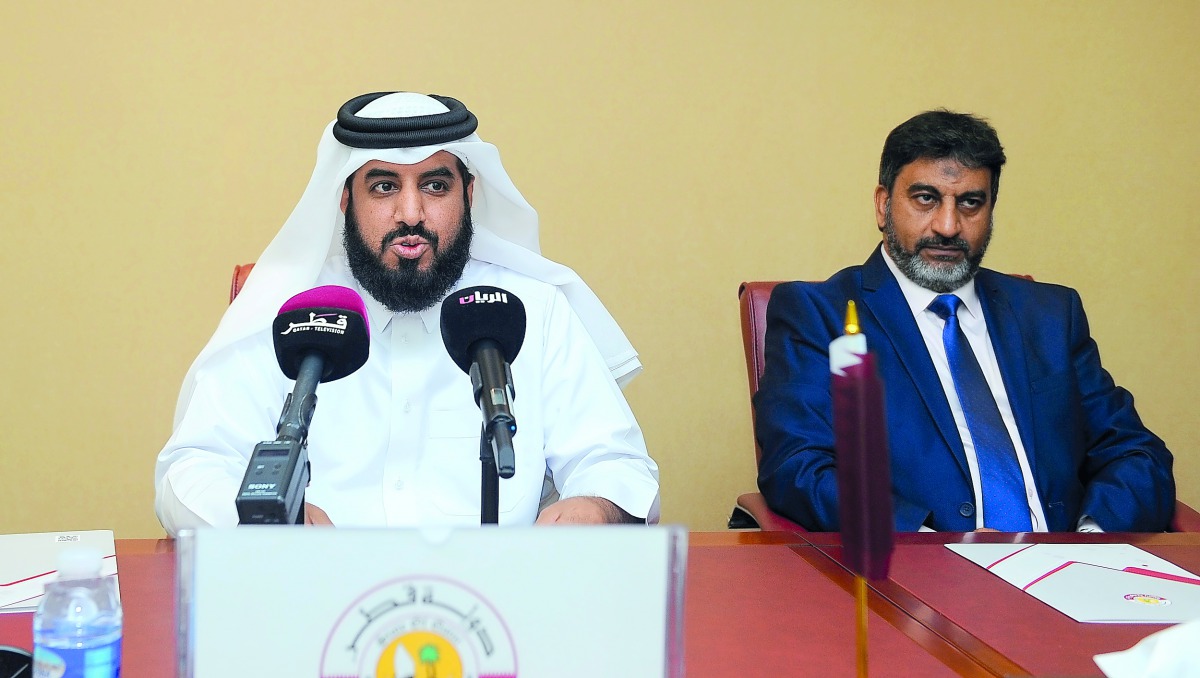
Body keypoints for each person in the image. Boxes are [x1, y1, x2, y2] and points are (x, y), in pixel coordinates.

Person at [155, 92, 659, 534]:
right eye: (384, 187)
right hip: (315, 600)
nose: (411, 214)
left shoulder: (533, 310)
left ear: (469, 194)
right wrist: (262, 522)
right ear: (345, 198)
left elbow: (616, 463)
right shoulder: (290, 309)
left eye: (436, 186)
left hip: (499, 610)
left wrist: (596, 507)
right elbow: (192, 471)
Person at [755, 109, 1174, 532]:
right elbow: (798, 467)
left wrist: (1090, 539)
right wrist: (927, 546)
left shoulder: (1049, 316)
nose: (949, 225)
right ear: (883, 205)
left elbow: (1135, 452)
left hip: (1067, 571)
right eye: (926, 198)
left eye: (970, 202)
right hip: (920, 577)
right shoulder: (819, 314)